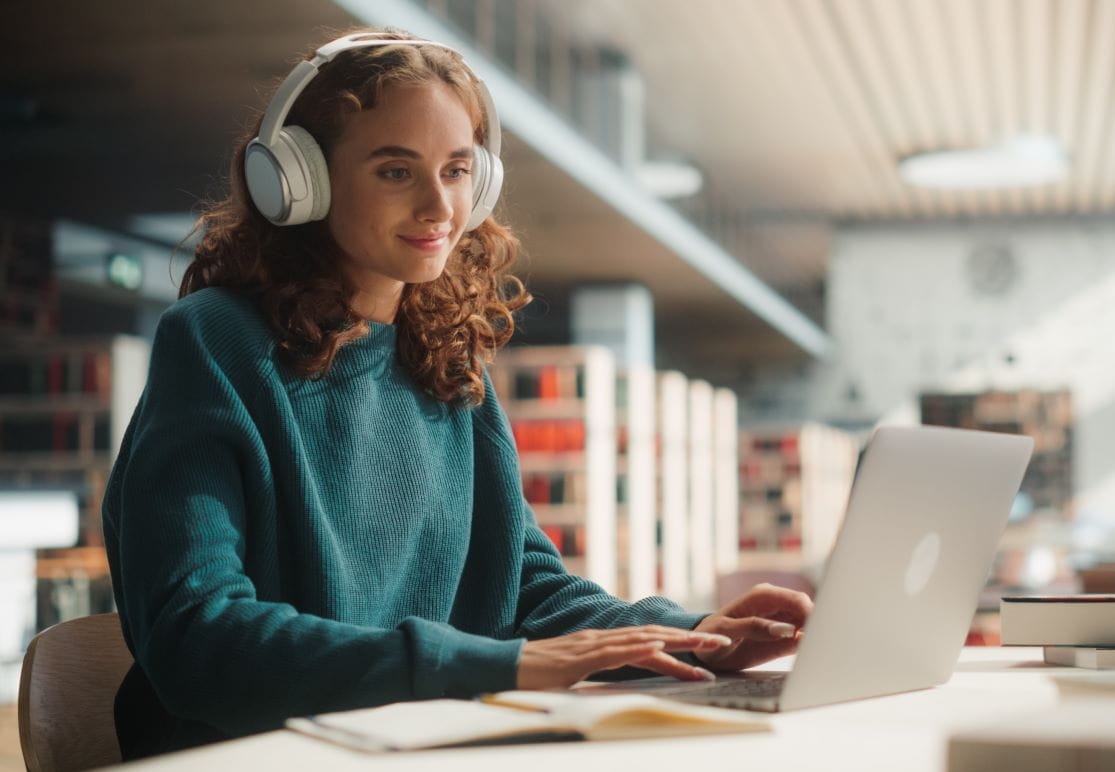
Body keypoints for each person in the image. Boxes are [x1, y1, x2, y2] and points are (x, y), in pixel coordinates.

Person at [101, 27, 813, 760]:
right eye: (394, 172)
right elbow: (198, 633)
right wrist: (493, 666)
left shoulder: (443, 361)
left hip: (410, 746)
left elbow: (524, 590)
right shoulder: (215, 343)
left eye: (456, 170)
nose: (438, 207)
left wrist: (689, 637)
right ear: (299, 180)